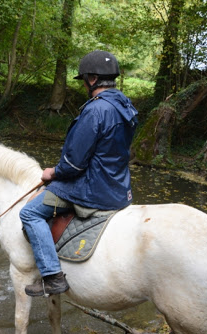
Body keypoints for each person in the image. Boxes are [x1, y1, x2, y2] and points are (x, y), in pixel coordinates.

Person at [20, 50, 139, 297]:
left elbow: (73, 165)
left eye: (84, 79)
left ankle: (52, 277)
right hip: (119, 187)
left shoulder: (96, 111)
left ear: (93, 79)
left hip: (92, 188)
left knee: (29, 212)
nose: (84, 84)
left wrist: (52, 172)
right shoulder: (125, 106)